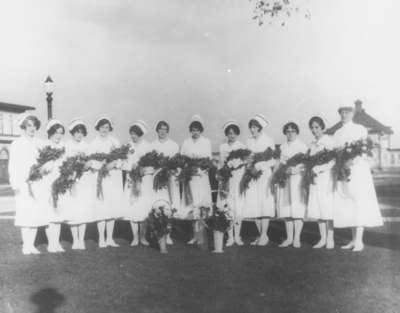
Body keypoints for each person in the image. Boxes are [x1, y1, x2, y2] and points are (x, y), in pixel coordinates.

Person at [332, 106, 383, 251]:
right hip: (343, 171)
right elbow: (336, 152)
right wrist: (341, 164)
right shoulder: (337, 132)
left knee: (358, 202)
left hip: (358, 170)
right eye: (341, 111)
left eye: (347, 111)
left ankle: (359, 240)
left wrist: (352, 161)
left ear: (353, 113)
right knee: (347, 202)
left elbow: (364, 149)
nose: (344, 114)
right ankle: (353, 239)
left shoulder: (359, 129)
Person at [9, 114, 45, 255]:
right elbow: (12, 166)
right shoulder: (17, 143)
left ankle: (32, 245)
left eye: (34, 125)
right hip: (23, 184)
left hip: (37, 183)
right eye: (29, 125)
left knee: (35, 213)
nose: (32, 128)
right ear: (24, 127)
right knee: (25, 213)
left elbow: (43, 162)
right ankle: (26, 245)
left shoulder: (40, 143)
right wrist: (15, 184)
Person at [90, 117, 124, 248]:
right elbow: (91, 161)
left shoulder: (114, 141)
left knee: (111, 208)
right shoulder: (94, 143)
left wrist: (116, 163)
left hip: (113, 177)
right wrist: (102, 165)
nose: (105, 130)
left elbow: (121, 158)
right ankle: (101, 238)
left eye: (107, 127)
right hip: (101, 178)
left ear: (110, 128)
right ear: (98, 128)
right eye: (102, 127)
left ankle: (110, 238)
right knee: (102, 208)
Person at [61, 118, 94, 250]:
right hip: (72, 180)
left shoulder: (87, 146)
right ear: (72, 133)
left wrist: (86, 165)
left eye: (81, 132)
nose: (79, 135)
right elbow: (65, 163)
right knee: (74, 211)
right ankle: (75, 240)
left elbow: (90, 162)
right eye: (77, 132)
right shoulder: (67, 145)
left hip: (84, 181)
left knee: (83, 211)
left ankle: (81, 240)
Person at [242, 114, 275, 246]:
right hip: (252, 176)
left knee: (264, 203)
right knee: (254, 204)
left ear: (260, 128)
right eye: (251, 127)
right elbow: (247, 158)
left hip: (264, 175)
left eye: (255, 127)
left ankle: (264, 235)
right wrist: (249, 165)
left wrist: (260, 166)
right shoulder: (248, 141)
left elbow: (273, 160)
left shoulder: (268, 140)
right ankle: (261, 235)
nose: (253, 129)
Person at [180, 115, 212, 244]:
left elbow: (208, 161)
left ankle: (201, 235)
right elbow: (182, 160)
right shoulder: (186, 142)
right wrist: (189, 169)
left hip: (202, 177)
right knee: (192, 205)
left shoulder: (206, 142)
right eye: (193, 129)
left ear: (201, 130)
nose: (195, 132)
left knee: (201, 204)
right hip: (191, 178)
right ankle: (194, 234)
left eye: (197, 129)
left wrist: (201, 170)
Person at [276, 121, 308, 248]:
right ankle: (289, 238)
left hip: (297, 179)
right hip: (285, 180)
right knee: (287, 209)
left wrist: (295, 169)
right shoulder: (282, 146)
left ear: (297, 132)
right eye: (288, 131)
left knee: (296, 208)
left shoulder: (302, 146)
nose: (290, 133)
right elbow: (279, 163)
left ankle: (296, 238)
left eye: (293, 131)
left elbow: (306, 163)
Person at [122, 120, 153, 246]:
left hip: (144, 180)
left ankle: (143, 236)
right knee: (133, 207)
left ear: (140, 134)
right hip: (131, 179)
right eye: (131, 134)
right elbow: (124, 163)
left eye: (135, 134)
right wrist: (131, 167)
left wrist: (142, 169)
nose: (133, 136)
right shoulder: (128, 146)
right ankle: (134, 237)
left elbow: (151, 164)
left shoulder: (147, 146)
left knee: (143, 207)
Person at [306, 116, 335, 249]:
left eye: (317, 127)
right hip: (314, 178)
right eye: (312, 128)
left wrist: (320, 168)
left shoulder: (328, 141)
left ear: (322, 127)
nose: (314, 130)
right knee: (317, 207)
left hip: (325, 177)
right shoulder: (311, 143)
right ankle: (322, 238)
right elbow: (309, 160)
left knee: (326, 207)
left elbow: (333, 161)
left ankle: (330, 238)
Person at [217, 120, 246, 246]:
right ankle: (230, 237)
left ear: (237, 134)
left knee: (238, 206)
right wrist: (220, 174)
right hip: (226, 179)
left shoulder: (242, 146)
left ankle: (238, 236)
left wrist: (236, 164)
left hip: (238, 178)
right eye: (229, 133)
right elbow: (221, 163)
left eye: (234, 133)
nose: (231, 135)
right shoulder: (222, 147)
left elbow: (245, 163)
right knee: (227, 206)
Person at [152, 120, 180, 245]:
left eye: (164, 129)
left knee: (170, 205)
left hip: (171, 179)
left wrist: (171, 171)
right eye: (160, 129)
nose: (162, 131)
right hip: (158, 180)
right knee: (158, 205)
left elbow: (177, 164)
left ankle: (168, 234)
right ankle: (158, 233)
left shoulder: (174, 145)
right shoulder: (152, 145)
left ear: (167, 131)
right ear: (157, 130)